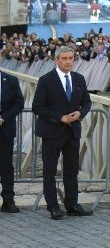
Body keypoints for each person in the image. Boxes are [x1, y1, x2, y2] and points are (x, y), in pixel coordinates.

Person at [31, 46, 93, 219]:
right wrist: (59, 118)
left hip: (72, 131)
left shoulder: (79, 78)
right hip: (52, 132)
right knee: (49, 171)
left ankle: (72, 205)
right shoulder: (46, 80)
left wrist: (80, 113)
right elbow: (37, 106)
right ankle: (53, 206)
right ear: (56, 60)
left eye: (70, 58)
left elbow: (87, 103)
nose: (68, 62)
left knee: (71, 171)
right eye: (64, 58)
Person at [0, 70, 24, 213]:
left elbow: (19, 103)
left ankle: (8, 200)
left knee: (6, 165)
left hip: (5, 128)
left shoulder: (10, 80)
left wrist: (4, 118)